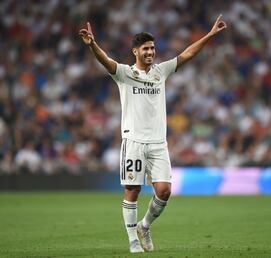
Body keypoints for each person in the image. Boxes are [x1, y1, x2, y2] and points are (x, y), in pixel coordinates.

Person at [79, 15, 227, 253]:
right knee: (133, 189)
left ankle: (145, 226)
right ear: (135, 51)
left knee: (164, 190)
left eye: (153, 48)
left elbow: (187, 54)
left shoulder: (161, 71)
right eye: (146, 48)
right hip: (134, 140)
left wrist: (209, 35)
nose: (151, 52)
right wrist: (93, 45)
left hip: (158, 143)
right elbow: (106, 61)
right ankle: (133, 240)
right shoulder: (124, 74)